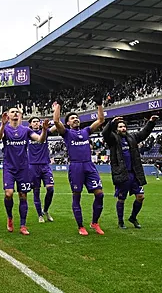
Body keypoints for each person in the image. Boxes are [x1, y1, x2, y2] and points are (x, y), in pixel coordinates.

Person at [53, 99, 106, 236]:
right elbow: (56, 121)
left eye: (77, 118)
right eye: (72, 118)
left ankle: (95, 222)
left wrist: (99, 104)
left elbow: (100, 120)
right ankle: (80, 226)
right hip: (76, 166)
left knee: (99, 194)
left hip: (89, 165)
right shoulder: (66, 133)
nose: (76, 119)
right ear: (68, 123)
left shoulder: (86, 131)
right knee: (77, 196)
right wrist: (58, 107)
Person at [0, 108, 49, 235]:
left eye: (17, 112)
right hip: (9, 167)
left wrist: (45, 130)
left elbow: (40, 139)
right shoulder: (6, 129)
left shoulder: (26, 130)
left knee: (23, 196)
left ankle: (23, 225)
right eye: (12, 112)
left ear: (20, 115)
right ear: (8, 115)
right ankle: (10, 217)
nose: (15, 113)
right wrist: (2, 124)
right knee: (8, 194)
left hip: (23, 168)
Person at [102, 115, 158, 229]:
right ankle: (121, 221)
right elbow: (105, 133)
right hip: (122, 173)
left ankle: (133, 217)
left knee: (140, 197)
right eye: (120, 126)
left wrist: (151, 122)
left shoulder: (132, 137)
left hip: (135, 173)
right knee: (121, 198)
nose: (123, 128)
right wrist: (112, 122)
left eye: (124, 126)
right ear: (116, 129)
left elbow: (144, 133)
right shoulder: (113, 139)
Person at [28, 114, 58, 223]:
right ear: (30, 124)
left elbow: (57, 126)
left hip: (45, 165)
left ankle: (45, 210)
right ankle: (39, 214)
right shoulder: (27, 134)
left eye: (38, 121)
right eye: (34, 121)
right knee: (36, 191)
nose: (36, 123)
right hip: (32, 166)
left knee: (50, 189)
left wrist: (56, 117)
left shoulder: (45, 132)